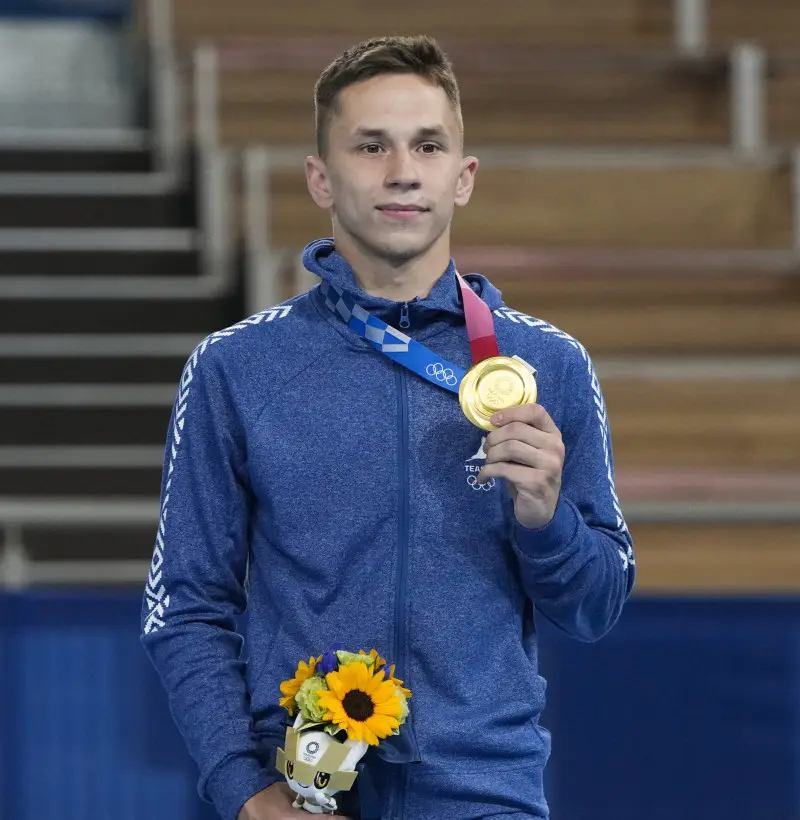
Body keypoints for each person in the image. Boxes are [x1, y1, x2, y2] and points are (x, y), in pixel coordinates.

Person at [139, 34, 635, 820]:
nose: (402, 171)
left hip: (484, 791)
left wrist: (547, 522)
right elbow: (186, 607)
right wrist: (245, 790)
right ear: (320, 178)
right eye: (370, 146)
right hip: (304, 794)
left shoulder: (546, 365)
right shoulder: (237, 369)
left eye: (427, 145)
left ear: (463, 177)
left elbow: (596, 606)